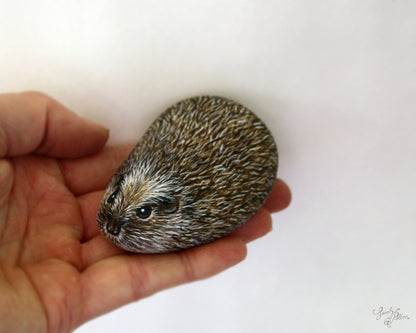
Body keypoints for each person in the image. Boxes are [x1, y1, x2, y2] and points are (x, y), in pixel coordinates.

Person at [0, 91, 291, 332]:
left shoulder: (195, 214)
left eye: (143, 213)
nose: (113, 225)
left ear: (171, 209)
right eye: (115, 196)